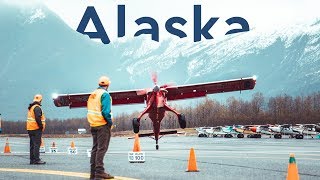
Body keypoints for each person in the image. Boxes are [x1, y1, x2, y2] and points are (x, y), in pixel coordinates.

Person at [87, 76, 114, 179]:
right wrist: (110, 122)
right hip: (102, 125)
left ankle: (92, 173)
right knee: (102, 149)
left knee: (95, 148)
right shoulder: (105, 95)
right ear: (108, 85)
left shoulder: (93, 94)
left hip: (93, 124)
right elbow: (106, 112)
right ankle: (99, 172)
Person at [26, 94, 46, 165]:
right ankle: (37, 160)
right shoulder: (37, 108)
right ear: (40, 100)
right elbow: (38, 118)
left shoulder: (31, 107)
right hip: (36, 128)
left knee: (32, 145)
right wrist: (41, 126)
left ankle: (32, 160)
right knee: (37, 144)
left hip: (30, 128)